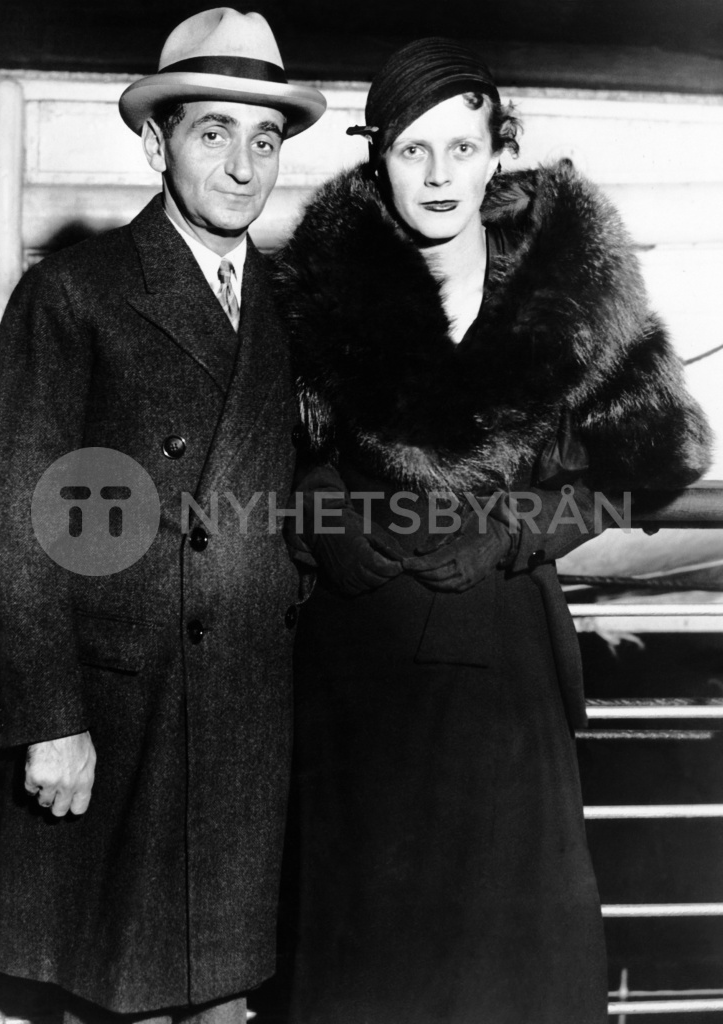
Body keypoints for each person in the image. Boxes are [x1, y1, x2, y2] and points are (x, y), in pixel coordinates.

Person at [274, 37, 712, 1024]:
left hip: (502, 669)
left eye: (460, 149)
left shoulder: (568, 285)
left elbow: (661, 455)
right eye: (412, 151)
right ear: (376, 158)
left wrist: (524, 526)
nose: (437, 176)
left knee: (508, 970)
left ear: (498, 148)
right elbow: (261, 460)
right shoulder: (317, 287)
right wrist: (327, 519)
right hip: (359, 675)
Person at [0, 9, 325, 1024]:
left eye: (265, 139)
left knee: (224, 1001)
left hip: (250, 729)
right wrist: (50, 720)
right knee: (116, 998)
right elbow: (14, 519)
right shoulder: (75, 295)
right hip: (120, 722)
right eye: (213, 131)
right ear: (154, 142)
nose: (243, 164)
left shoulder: (293, 305)